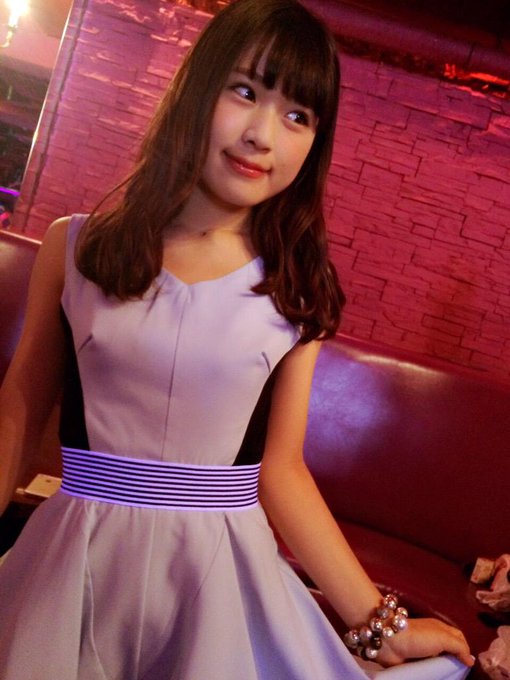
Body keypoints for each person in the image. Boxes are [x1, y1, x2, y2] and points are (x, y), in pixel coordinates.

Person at [0, 1, 473, 678]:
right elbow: (17, 413)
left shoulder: (295, 288)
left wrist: (380, 626)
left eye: (297, 115)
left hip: (219, 579)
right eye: (245, 92)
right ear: (197, 87)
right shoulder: (75, 248)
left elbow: (282, 471)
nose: (261, 135)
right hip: (73, 566)